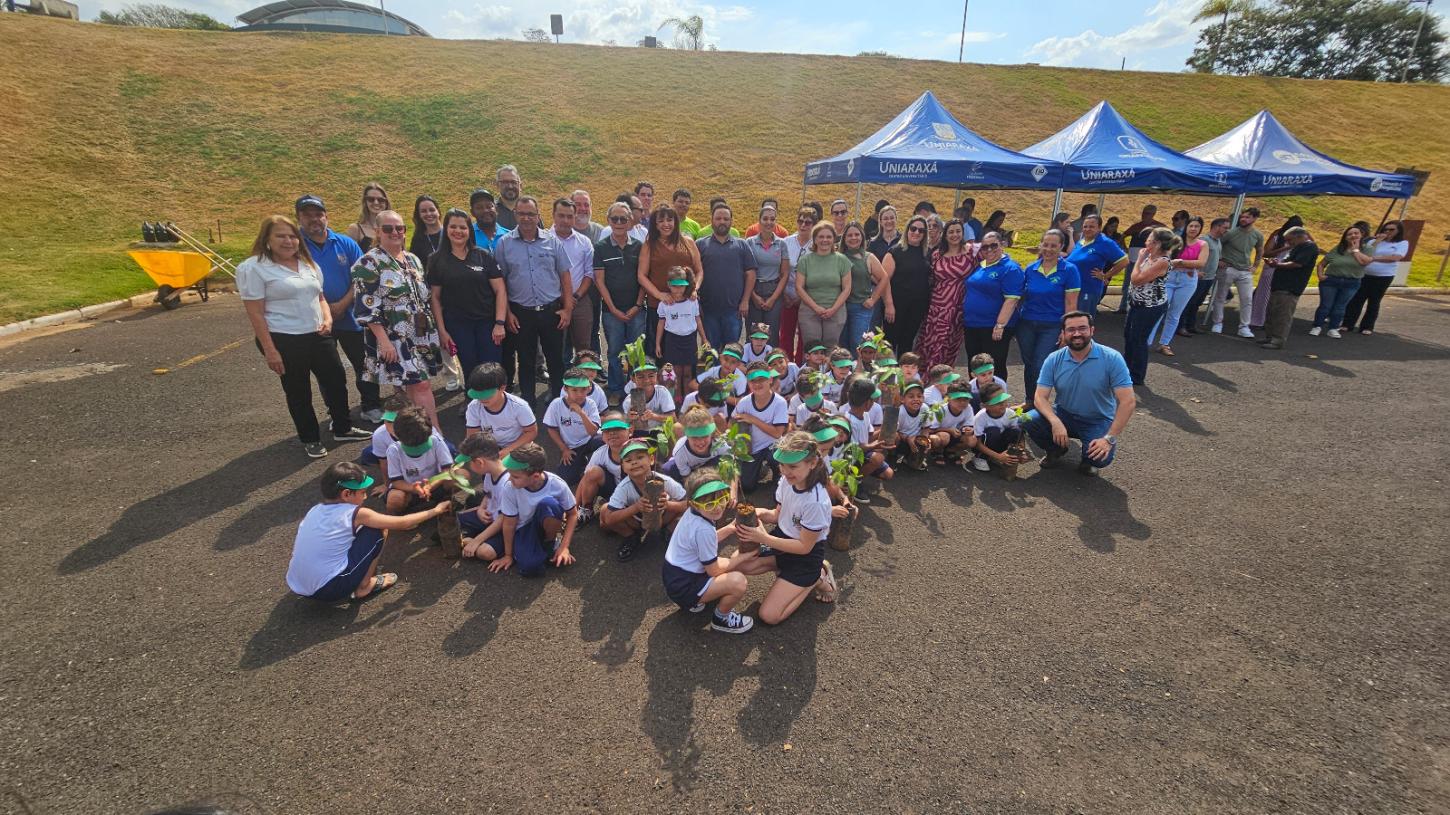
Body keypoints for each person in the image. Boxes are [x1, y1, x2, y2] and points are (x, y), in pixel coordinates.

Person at [239, 215, 366, 458]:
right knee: (298, 391)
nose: (288, 241)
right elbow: (255, 313)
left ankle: (342, 427)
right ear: (266, 239)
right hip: (284, 338)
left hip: (318, 333)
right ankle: (310, 438)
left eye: (291, 236)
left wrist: (327, 319)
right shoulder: (254, 268)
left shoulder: (308, 265)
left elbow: (319, 298)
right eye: (280, 236)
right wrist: (270, 349)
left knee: (336, 380)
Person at [285, 462, 447, 602]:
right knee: (377, 530)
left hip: (296, 584)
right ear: (346, 494)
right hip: (329, 589)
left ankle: (339, 577)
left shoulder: (315, 510)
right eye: (362, 492)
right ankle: (365, 586)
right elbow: (403, 523)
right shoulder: (359, 514)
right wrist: (436, 510)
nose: (365, 496)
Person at [733, 431, 840, 620]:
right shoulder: (786, 481)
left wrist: (763, 538)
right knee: (739, 561)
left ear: (812, 463)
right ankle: (785, 571)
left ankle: (815, 578)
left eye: (793, 466)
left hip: (805, 557)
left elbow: (804, 547)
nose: (785, 470)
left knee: (769, 616)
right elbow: (777, 515)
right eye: (782, 465)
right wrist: (758, 513)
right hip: (782, 540)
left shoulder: (816, 501)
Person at [351, 209, 443, 428]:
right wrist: (384, 342)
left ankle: (414, 433)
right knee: (422, 385)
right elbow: (367, 307)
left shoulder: (412, 260)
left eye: (399, 228)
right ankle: (435, 432)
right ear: (377, 231)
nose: (395, 232)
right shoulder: (368, 264)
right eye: (388, 228)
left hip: (420, 333)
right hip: (394, 337)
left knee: (413, 388)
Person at [294, 194, 379, 423]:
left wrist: (342, 304)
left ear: (326, 217)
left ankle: (371, 405)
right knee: (329, 371)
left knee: (365, 363)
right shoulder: (295, 247)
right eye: (307, 215)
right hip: (318, 319)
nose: (314, 219)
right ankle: (338, 414)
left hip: (351, 315)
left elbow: (362, 276)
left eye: (318, 214)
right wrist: (326, 310)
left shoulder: (345, 243)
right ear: (299, 218)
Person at [1022, 311, 1135, 475]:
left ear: (1092, 330)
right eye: (1071, 329)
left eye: (1082, 328)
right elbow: (1039, 397)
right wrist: (1055, 421)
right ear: (1063, 333)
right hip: (1064, 414)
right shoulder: (1054, 359)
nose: (1076, 334)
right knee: (1028, 418)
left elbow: (1128, 402)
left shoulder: (1112, 358)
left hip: (1097, 419)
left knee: (1101, 457)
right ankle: (1056, 450)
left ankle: (1088, 459)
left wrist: (1109, 438)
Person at [495, 196, 573, 406]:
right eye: (522, 213)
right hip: (521, 313)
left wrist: (567, 310)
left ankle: (557, 398)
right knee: (526, 360)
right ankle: (527, 401)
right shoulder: (504, 244)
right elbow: (501, 282)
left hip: (551, 311)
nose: (527, 218)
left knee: (555, 358)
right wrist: (508, 314)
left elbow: (565, 277)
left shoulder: (552, 241)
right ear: (515, 215)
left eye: (531, 214)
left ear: (538, 216)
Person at [660, 468, 755, 633]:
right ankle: (721, 618)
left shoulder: (693, 515)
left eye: (722, 499)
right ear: (694, 503)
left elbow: (705, 541)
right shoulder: (703, 528)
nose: (718, 508)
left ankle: (695, 601)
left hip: (675, 577)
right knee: (738, 581)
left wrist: (730, 528)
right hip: (684, 585)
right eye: (709, 503)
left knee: (726, 562)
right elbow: (714, 570)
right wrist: (744, 557)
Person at [427, 209, 508, 383]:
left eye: (463, 227)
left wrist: (500, 323)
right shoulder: (436, 260)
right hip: (458, 325)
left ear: (469, 230)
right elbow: (435, 297)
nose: (458, 231)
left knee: (492, 368)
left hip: (487, 323)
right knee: (470, 367)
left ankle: (496, 404)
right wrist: (442, 331)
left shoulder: (483, 256)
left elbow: (500, 290)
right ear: (446, 229)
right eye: (453, 226)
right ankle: (473, 403)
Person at [488, 442, 579, 576]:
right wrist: (508, 555)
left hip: (545, 521)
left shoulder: (557, 484)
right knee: (531, 567)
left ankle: (550, 542)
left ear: (535, 476)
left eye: (515, 477)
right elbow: (509, 523)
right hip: (524, 527)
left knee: (549, 504)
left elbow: (572, 514)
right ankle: (536, 551)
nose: (510, 479)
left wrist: (565, 547)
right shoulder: (509, 488)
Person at [1016, 229, 1081, 406]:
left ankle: (1040, 402)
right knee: (1029, 363)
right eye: (1046, 244)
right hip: (1027, 323)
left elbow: (1071, 303)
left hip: (1052, 325)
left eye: (1054, 245)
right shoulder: (1030, 268)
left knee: (1039, 364)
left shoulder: (1069, 270)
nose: (1049, 249)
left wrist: (1067, 330)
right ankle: (1030, 400)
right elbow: (1020, 297)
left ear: (1061, 247)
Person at [601, 439, 687, 561]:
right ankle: (631, 537)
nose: (634, 462)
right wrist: (635, 508)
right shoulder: (624, 487)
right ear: (623, 467)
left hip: (663, 517)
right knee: (605, 511)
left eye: (640, 457)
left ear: (651, 459)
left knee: (686, 508)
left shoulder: (664, 480)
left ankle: (669, 531)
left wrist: (668, 505)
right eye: (628, 460)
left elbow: (690, 504)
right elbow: (609, 518)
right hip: (636, 521)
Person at [594, 202, 646, 396]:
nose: (618, 222)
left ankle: (636, 390)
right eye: (614, 219)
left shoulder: (639, 247)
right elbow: (599, 282)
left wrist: (638, 305)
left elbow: (643, 278)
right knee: (614, 352)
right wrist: (613, 309)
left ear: (630, 221)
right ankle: (616, 389)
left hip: (637, 310)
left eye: (623, 219)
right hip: (611, 312)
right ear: (608, 221)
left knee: (636, 353)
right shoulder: (600, 248)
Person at [638, 205, 704, 356]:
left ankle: (686, 379)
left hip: (686, 304)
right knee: (662, 351)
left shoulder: (688, 242)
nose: (666, 224)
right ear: (655, 224)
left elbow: (699, 270)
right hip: (661, 305)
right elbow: (641, 276)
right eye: (661, 221)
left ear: (676, 222)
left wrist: (694, 289)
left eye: (669, 219)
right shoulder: (649, 245)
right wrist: (659, 295)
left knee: (687, 352)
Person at [961, 231, 1023, 382]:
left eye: (993, 245)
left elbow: (1011, 300)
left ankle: (996, 400)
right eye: (985, 247)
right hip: (972, 324)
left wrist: (1000, 325)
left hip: (994, 327)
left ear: (1002, 244)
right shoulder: (980, 265)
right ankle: (977, 399)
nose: (989, 250)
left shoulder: (1010, 268)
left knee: (994, 366)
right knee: (975, 365)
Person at [917, 219, 977, 369]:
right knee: (930, 343)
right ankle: (925, 378)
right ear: (945, 234)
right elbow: (931, 278)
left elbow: (993, 254)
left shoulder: (972, 252)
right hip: (937, 306)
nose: (954, 235)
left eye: (958, 231)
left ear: (963, 233)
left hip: (958, 307)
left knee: (949, 345)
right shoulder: (937, 254)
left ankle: (943, 379)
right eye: (951, 231)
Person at [696, 204, 757, 350]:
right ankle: (713, 373)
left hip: (734, 310)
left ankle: (730, 374)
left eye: (726, 218)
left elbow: (751, 274)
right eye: (718, 218)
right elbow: (694, 273)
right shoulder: (700, 245)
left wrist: (745, 301)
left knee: (731, 351)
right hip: (708, 310)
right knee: (712, 351)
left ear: (731, 221)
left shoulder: (741, 245)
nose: (722, 221)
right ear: (712, 220)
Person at [1123, 227, 1177, 385]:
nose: (1146, 242)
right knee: (1129, 336)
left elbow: (1136, 279)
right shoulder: (1152, 256)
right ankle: (1126, 369)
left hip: (1150, 306)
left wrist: (1139, 259)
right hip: (1136, 303)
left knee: (1139, 339)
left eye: (1149, 239)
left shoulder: (1162, 261)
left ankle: (1136, 375)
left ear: (1158, 243)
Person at [1150, 216, 1208, 356]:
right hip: (1170, 278)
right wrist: (1185, 263)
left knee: (1175, 314)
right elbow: (1164, 258)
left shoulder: (1202, 244)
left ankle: (1164, 343)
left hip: (1187, 281)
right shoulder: (1176, 241)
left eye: (1197, 226)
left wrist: (1180, 262)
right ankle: (1146, 340)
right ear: (1186, 227)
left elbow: (1201, 263)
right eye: (1191, 226)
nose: (1193, 229)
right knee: (1159, 309)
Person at [382, 406, 453, 515]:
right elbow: (396, 481)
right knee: (395, 499)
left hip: (434, 485)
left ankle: (444, 500)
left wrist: (430, 485)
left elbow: (447, 469)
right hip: (409, 490)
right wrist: (414, 488)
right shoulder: (393, 450)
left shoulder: (436, 441)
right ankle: (402, 518)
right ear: (396, 435)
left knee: (461, 475)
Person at [1257, 227, 1319, 350]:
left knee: (1282, 316)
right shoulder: (1297, 247)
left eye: (1290, 240)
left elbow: (1297, 263)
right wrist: (1276, 261)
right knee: (1272, 313)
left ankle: (1277, 341)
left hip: (1290, 288)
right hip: (1279, 286)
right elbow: (1288, 260)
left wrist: (1277, 264)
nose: (1288, 243)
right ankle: (1270, 337)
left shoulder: (1309, 247)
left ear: (1300, 236)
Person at [549, 198, 597, 356]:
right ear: (553, 215)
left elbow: (589, 273)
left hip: (580, 300)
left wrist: (574, 296)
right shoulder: (544, 241)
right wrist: (563, 298)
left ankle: (583, 378)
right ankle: (559, 379)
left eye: (569, 216)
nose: (565, 220)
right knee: (556, 346)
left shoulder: (584, 242)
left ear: (575, 217)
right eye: (561, 215)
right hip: (553, 301)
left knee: (584, 347)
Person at [1207, 208, 1265, 337]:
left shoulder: (1257, 235)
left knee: (1247, 299)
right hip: (1228, 268)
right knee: (1220, 297)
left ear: (1255, 219)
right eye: (1242, 217)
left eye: (1247, 217)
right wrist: (1219, 259)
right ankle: (1217, 323)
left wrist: (1256, 265)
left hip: (1245, 270)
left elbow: (1260, 249)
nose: (1243, 219)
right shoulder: (1231, 232)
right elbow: (1217, 244)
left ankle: (1244, 327)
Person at [1342, 220, 1408, 335]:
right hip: (1365, 274)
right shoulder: (1374, 241)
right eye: (1386, 229)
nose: (1388, 232)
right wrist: (1377, 241)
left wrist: (1374, 258)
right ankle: (1347, 324)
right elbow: (1365, 252)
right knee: (1357, 299)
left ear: (1398, 231)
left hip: (1383, 276)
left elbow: (1396, 257)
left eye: (1392, 230)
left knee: (1374, 300)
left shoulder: (1401, 243)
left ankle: (1367, 326)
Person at [795, 222, 852, 353]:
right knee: (812, 349)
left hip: (835, 311)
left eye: (828, 237)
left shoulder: (842, 260)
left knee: (831, 349)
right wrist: (816, 308)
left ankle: (830, 373)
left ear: (834, 239)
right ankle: (811, 374)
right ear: (814, 239)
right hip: (809, 311)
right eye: (821, 237)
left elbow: (847, 288)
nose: (824, 240)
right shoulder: (805, 260)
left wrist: (833, 309)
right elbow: (799, 287)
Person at [733, 363, 790, 493]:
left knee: (775, 457)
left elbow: (777, 433)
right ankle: (760, 469)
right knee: (747, 486)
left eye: (761, 380)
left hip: (773, 445)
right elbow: (732, 424)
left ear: (770, 379)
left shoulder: (779, 402)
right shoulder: (744, 402)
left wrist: (753, 419)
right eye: (753, 381)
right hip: (753, 448)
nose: (757, 384)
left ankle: (778, 474)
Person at [463, 362, 538, 457]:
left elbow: (531, 431)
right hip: (490, 447)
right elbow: (472, 436)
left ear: (502, 388)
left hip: (518, 446)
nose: (482, 399)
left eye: (486, 395)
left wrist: (508, 450)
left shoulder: (519, 406)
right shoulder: (474, 407)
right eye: (478, 395)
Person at [543, 367, 602, 486]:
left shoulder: (590, 404)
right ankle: (581, 462)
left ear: (589, 388)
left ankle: (601, 464)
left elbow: (593, 432)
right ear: (566, 388)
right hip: (571, 446)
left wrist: (581, 413)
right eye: (574, 390)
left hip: (589, 440)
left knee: (606, 440)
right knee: (566, 478)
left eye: (583, 389)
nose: (580, 394)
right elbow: (551, 429)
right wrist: (563, 448)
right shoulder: (556, 404)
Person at [882, 215, 931, 357]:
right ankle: (887, 377)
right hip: (896, 307)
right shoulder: (895, 252)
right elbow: (884, 281)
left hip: (917, 308)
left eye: (921, 231)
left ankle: (904, 377)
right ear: (907, 229)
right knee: (890, 343)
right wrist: (889, 305)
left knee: (907, 343)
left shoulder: (927, 253)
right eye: (913, 228)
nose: (916, 233)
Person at [1310, 226, 1372, 338]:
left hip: (1351, 282)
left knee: (1340, 306)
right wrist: (1320, 275)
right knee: (1325, 305)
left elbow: (1364, 262)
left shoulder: (1367, 248)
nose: (1353, 235)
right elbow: (1322, 264)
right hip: (1331, 280)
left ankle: (1333, 328)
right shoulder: (1338, 248)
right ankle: (1317, 326)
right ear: (1345, 237)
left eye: (1356, 233)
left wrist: (1355, 250)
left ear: (1361, 235)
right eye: (1350, 234)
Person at [838, 222, 890, 350]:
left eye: (857, 234)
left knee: (857, 344)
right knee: (841, 344)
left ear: (862, 236)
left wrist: (873, 299)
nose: (853, 238)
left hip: (860, 308)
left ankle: (859, 370)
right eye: (849, 235)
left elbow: (884, 277)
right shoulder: (838, 257)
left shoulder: (868, 257)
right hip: (840, 308)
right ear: (844, 238)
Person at [656, 271, 706, 402]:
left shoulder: (692, 301)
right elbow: (661, 323)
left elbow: (698, 320)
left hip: (689, 339)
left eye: (681, 286)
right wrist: (657, 343)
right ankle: (677, 397)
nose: (678, 289)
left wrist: (704, 339)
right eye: (675, 286)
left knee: (688, 371)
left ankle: (687, 397)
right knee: (676, 371)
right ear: (668, 285)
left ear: (686, 286)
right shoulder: (664, 304)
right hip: (672, 339)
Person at [744, 205, 791, 345]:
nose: (768, 222)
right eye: (765, 219)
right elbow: (746, 272)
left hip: (774, 291)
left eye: (772, 219)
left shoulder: (781, 244)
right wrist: (753, 296)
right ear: (759, 221)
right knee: (754, 333)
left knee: (772, 333)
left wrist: (773, 299)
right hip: (755, 289)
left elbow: (785, 273)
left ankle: (771, 365)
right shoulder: (750, 242)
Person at [1067, 213, 1128, 314]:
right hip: (1073, 288)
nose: (1087, 229)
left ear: (1099, 228)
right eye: (1085, 226)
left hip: (1088, 289)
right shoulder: (1082, 241)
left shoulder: (1105, 243)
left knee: (1082, 321)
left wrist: (1106, 276)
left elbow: (1124, 261)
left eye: (1091, 227)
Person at [779, 206, 817, 362]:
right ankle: (785, 366)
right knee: (785, 335)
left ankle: (802, 366)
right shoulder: (786, 242)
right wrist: (784, 294)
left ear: (814, 225)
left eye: (807, 223)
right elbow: (779, 271)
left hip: (806, 298)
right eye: (800, 221)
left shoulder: (816, 244)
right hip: (787, 296)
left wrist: (802, 297)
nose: (803, 225)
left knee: (805, 336)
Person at [1250, 215, 1302, 329]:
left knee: (1279, 297)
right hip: (1273, 267)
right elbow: (1266, 253)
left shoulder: (1301, 237)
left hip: (1287, 269)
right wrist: (1285, 248)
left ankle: (1268, 321)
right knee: (1264, 295)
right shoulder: (1278, 234)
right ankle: (1258, 320)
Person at [966, 382, 1029, 476]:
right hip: (985, 445)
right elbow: (977, 444)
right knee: (993, 431)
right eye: (997, 403)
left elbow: (1019, 435)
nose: (1003, 404)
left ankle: (1009, 455)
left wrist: (1021, 452)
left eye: (1004, 400)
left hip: (1001, 443)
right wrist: (998, 457)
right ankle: (981, 457)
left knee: (1016, 430)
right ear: (985, 406)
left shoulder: (1010, 413)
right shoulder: (980, 417)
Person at [1180, 217, 1228, 335]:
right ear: (1217, 227)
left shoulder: (1218, 241)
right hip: (1197, 276)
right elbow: (1194, 257)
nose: (1227, 230)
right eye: (1225, 228)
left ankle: (1191, 325)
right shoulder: (1203, 240)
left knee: (1197, 303)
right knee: (1189, 302)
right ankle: (1181, 326)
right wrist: (1197, 271)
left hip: (1209, 277)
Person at [1118, 205, 1164, 313]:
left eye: (1147, 213)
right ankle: (1123, 306)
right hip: (1133, 259)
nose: (1144, 215)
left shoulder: (1159, 227)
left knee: (1143, 283)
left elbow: (1167, 240)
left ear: (1153, 214)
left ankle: (1137, 305)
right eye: (1143, 213)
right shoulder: (1136, 226)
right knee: (1127, 283)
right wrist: (1124, 248)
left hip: (1148, 261)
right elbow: (1123, 236)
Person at [344, 182, 388, 253]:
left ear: (386, 202)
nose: (376, 202)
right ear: (365, 202)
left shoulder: (395, 228)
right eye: (371, 199)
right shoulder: (355, 229)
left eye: (380, 199)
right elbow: (349, 257)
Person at [408, 195, 444, 267]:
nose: (428, 214)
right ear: (419, 215)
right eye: (423, 211)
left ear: (438, 211)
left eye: (432, 210)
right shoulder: (417, 240)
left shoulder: (451, 232)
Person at [469, 188, 506, 253]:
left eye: (489, 206)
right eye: (479, 208)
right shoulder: (466, 235)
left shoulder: (509, 236)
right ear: (472, 212)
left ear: (496, 208)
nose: (485, 210)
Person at [494, 164, 522, 230]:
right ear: (498, 185)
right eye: (505, 182)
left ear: (520, 185)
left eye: (513, 182)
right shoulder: (491, 211)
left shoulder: (529, 210)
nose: (510, 186)